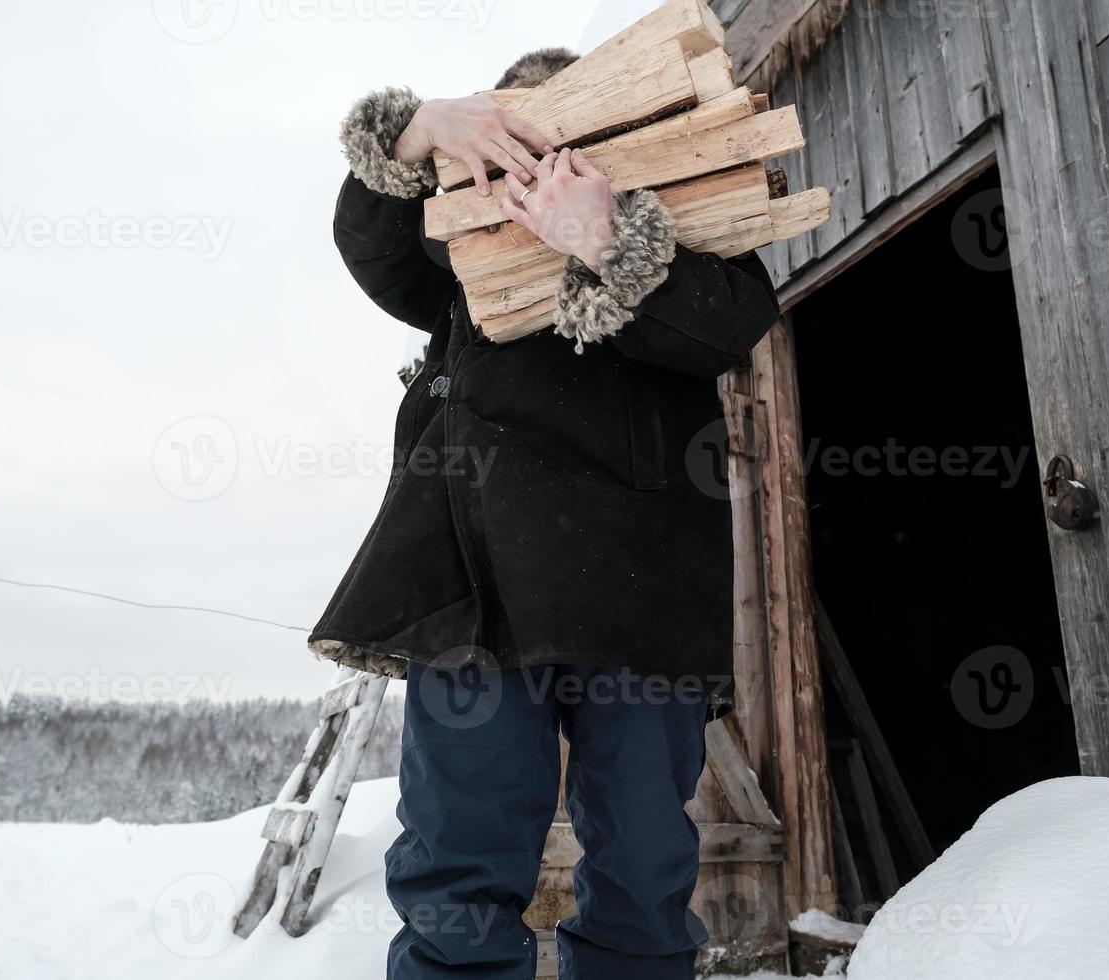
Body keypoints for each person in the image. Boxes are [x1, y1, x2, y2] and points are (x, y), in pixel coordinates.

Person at [309, 47, 780, 980]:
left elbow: (734, 327)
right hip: (474, 581)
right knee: (458, 867)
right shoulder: (456, 255)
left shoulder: (692, 231)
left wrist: (607, 238)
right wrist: (420, 127)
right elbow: (371, 241)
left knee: (645, 872)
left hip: (644, 584)